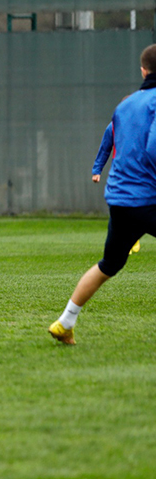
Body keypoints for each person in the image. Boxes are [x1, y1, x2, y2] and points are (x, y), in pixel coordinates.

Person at [49, 44, 156, 345]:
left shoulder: (124, 106)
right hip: (147, 197)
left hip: (120, 199)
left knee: (110, 264)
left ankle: (65, 322)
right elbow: (153, 148)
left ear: (143, 71)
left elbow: (120, 146)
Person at [92, 122, 141, 254]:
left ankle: (133, 235)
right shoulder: (114, 126)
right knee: (118, 205)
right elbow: (105, 148)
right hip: (119, 174)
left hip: (141, 173)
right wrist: (97, 170)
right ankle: (125, 240)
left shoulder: (146, 124)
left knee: (139, 205)